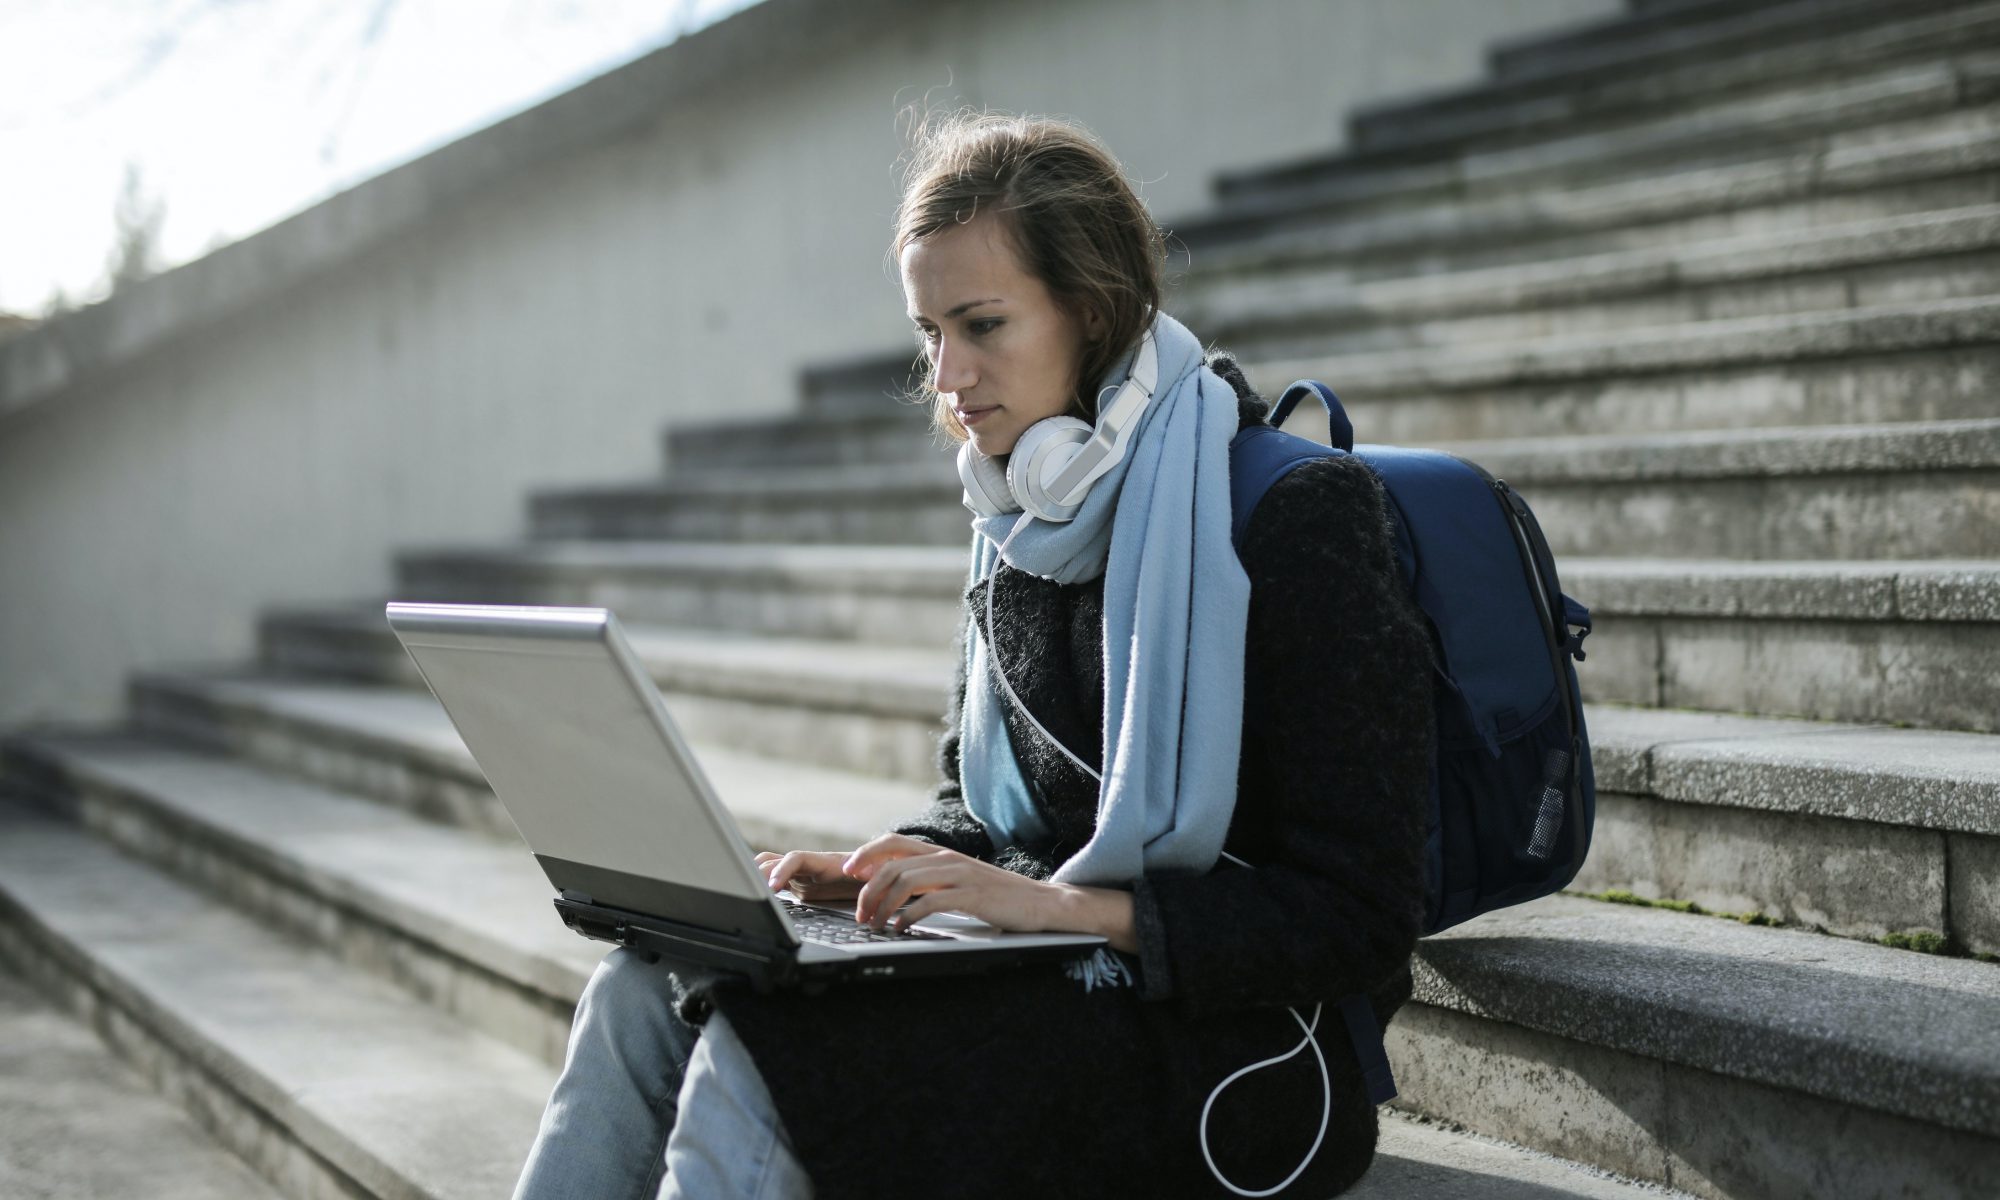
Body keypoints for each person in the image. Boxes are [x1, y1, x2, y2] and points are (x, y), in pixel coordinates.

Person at [512, 110, 1436, 1200]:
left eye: (982, 324)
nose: (946, 375)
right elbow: (978, 810)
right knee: (641, 986)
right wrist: (867, 870)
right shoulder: (1016, 519)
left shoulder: (1295, 515)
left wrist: (1060, 909)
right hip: (1043, 971)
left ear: (1089, 313)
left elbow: (1362, 912)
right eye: (926, 331)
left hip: (1236, 1042)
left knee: (769, 1053)